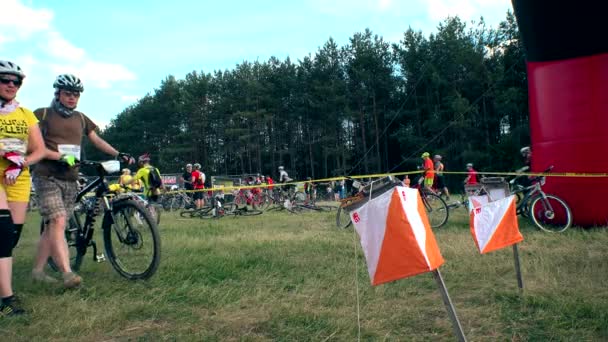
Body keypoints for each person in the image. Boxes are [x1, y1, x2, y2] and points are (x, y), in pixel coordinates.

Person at [31, 73, 133, 289]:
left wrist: (118, 154)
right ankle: (68, 273)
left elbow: (96, 140)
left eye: (76, 95)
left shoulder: (81, 118)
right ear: (58, 94)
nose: (72, 98)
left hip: (70, 178)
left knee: (53, 225)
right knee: (59, 221)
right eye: (68, 94)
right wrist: (59, 156)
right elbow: (33, 146)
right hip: (46, 175)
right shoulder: (43, 114)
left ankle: (37, 271)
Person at [0, 60, 46, 316]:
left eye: (15, 81)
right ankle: (7, 300)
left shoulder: (25, 113)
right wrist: (7, 154)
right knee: (3, 230)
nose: (10, 85)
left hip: (18, 177)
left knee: (11, 237)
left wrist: (22, 163)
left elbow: (38, 149)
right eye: (4, 80)